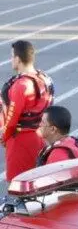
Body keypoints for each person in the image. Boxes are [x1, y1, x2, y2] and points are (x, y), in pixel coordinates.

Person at [1, 40, 54, 181]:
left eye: (12, 57)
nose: (11, 60)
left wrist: (4, 137)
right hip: (40, 137)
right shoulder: (45, 78)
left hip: (20, 140)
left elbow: (12, 120)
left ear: (18, 59)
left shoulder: (21, 85)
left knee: (17, 183)